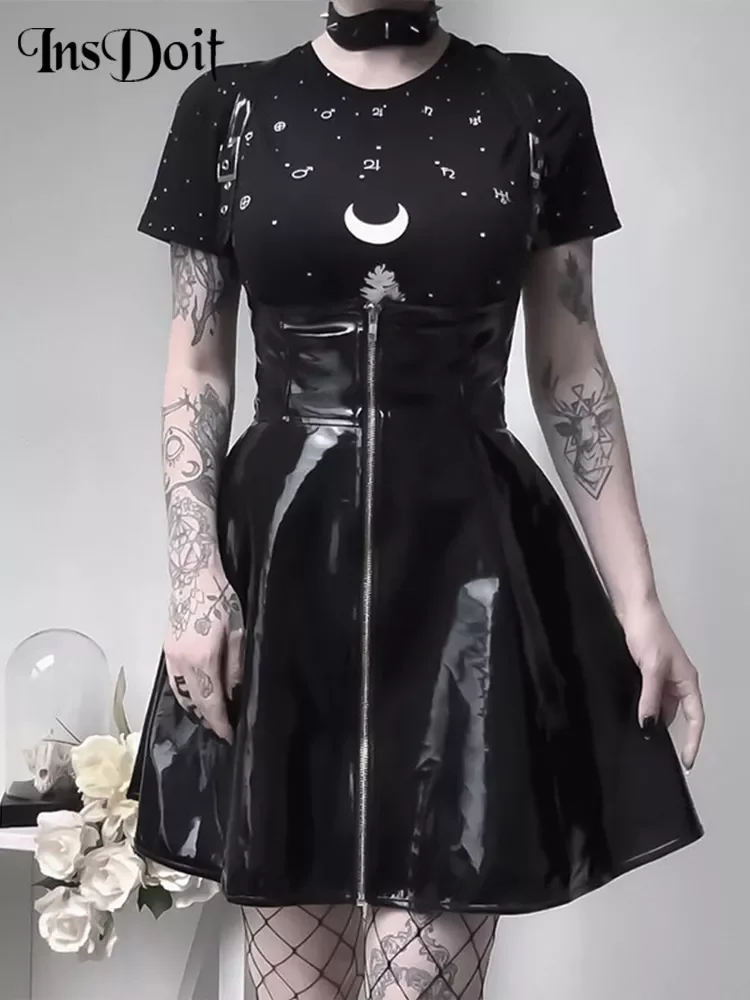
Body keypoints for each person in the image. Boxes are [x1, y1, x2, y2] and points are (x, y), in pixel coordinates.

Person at [126, 2, 706, 998]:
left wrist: (640, 602)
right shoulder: (227, 110)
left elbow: (569, 364)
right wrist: (194, 581)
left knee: (426, 972)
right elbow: (198, 367)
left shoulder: (533, 102)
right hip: (286, 567)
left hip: (466, 577)